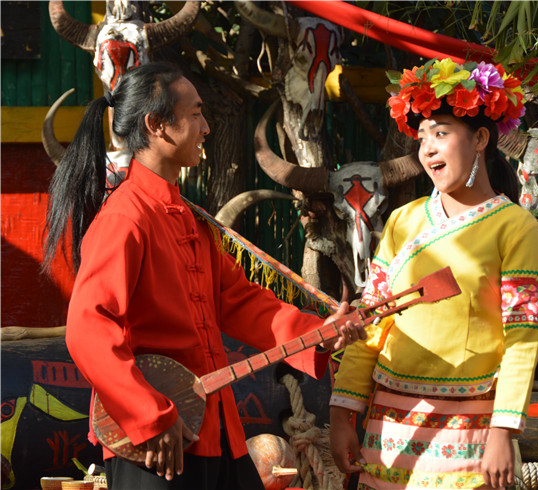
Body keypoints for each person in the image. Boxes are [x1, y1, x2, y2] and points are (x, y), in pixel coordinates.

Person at [43, 61, 366, 490]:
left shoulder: (188, 219)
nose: (206, 126)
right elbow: (88, 329)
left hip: (216, 431)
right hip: (158, 445)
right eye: (195, 113)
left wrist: (317, 332)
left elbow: (240, 302)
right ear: (157, 124)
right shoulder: (124, 218)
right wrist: (148, 416)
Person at [329, 58, 538, 490]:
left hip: (472, 438)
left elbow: (523, 337)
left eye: (442, 133)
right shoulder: (402, 221)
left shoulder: (517, 229)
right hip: (389, 433)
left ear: (481, 138)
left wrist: (504, 433)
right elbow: (372, 321)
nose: (428, 148)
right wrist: (342, 416)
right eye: (423, 136)